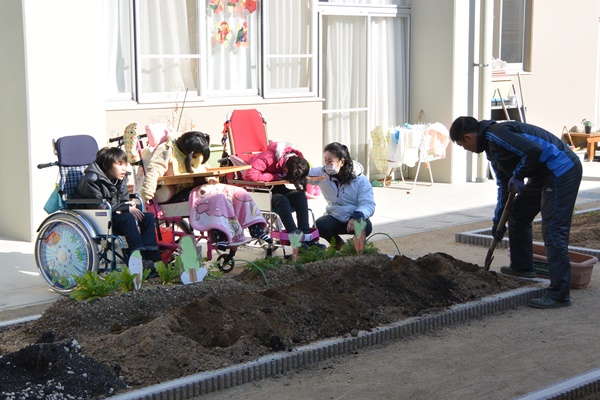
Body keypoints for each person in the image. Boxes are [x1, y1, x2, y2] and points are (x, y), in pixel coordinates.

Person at [449, 116, 583, 309]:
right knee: (518, 215)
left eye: (462, 145)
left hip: (561, 169)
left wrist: (519, 175)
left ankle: (559, 294)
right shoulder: (492, 150)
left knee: (553, 231)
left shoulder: (497, 134)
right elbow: (504, 186)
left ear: (468, 137)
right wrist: (497, 223)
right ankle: (522, 267)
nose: (466, 149)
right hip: (542, 175)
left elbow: (533, 151)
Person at [141, 131, 271, 250]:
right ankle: (219, 234)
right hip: (182, 191)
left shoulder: (194, 150)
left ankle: (255, 228)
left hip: (201, 187)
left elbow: (205, 168)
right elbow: (154, 169)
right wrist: (147, 192)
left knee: (238, 192)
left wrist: (210, 178)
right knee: (217, 197)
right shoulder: (167, 150)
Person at [73, 147, 162, 267]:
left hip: (112, 215)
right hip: (96, 218)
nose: (124, 168)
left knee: (147, 217)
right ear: (107, 165)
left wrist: (128, 205)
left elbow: (123, 200)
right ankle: (137, 259)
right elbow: (100, 207)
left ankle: (153, 258)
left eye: (125, 164)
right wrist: (125, 208)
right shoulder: (91, 180)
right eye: (120, 164)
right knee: (128, 218)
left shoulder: (120, 178)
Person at [242, 141, 324, 249]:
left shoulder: (296, 159)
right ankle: (295, 238)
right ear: (285, 169)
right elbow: (249, 175)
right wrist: (276, 176)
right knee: (281, 199)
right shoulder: (269, 158)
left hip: (277, 188)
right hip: (260, 191)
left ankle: (306, 235)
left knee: (300, 196)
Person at [308, 142, 376, 250]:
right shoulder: (322, 173)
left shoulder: (360, 180)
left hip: (354, 217)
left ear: (342, 162)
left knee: (364, 226)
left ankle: (354, 249)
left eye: (330, 161)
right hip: (335, 216)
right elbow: (305, 172)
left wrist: (356, 217)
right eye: (325, 160)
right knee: (320, 225)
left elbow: (368, 204)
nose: (327, 164)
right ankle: (340, 246)